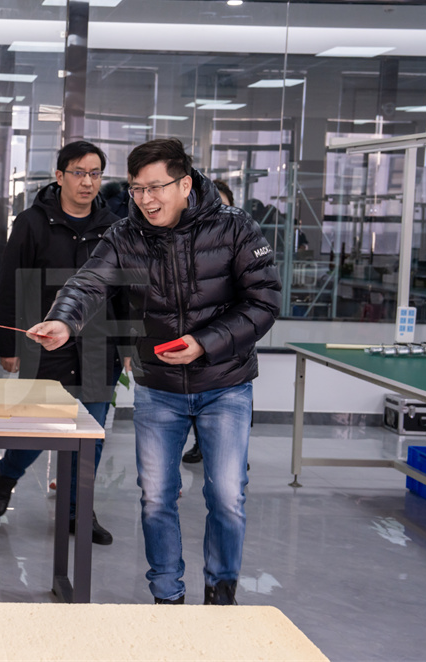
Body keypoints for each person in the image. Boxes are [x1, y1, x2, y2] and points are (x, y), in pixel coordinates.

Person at [27, 138, 281, 605]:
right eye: (137, 189)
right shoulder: (125, 235)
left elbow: (264, 303)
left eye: (155, 187)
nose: (145, 199)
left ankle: (220, 593)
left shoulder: (235, 227)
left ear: (185, 184)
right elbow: (88, 283)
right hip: (158, 388)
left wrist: (204, 343)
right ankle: (167, 595)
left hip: (225, 385)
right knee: (157, 497)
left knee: (227, 496)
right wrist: (64, 320)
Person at [0, 140, 125, 545]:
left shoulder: (114, 226)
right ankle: (8, 472)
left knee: (90, 434)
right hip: (43, 344)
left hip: (99, 346)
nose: (87, 182)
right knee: (37, 429)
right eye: (79, 173)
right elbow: (10, 285)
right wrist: (7, 346)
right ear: (60, 176)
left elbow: (124, 290)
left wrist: (128, 345)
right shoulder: (32, 223)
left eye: (95, 174)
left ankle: (77, 511)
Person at [182, 178, 235, 465]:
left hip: (229, 351)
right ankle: (201, 443)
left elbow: (259, 301)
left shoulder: (240, 242)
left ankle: (233, 448)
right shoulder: (188, 248)